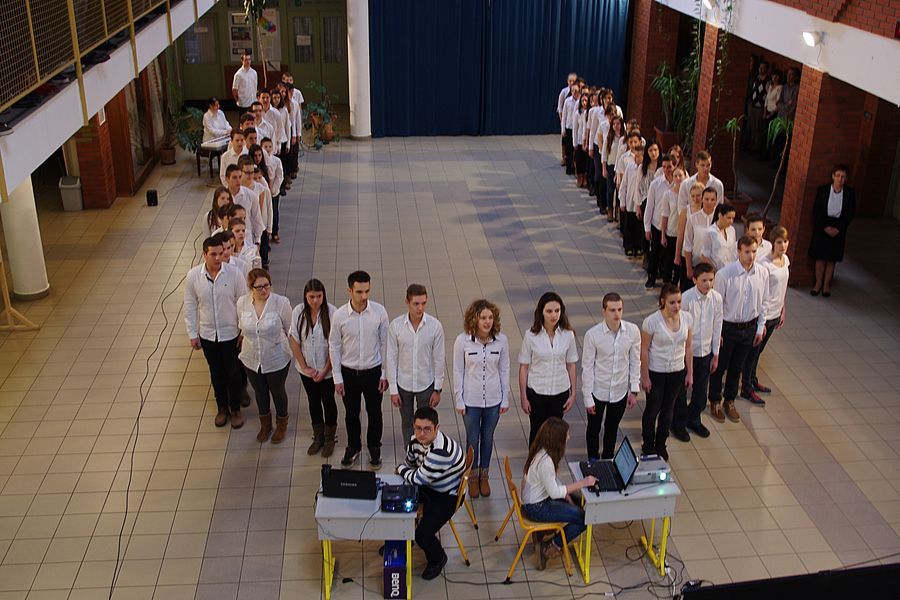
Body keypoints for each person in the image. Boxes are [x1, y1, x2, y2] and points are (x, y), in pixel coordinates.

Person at [329, 271, 390, 468]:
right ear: (349, 290)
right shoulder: (339, 316)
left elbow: (385, 344)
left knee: (375, 413)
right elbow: (334, 345)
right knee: (351, 413)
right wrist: (337, 377)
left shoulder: (379, 312)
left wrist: (384, 373)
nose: (364, 296)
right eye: (359, 292)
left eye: (367, 291)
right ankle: (353, 446)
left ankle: (374, 447)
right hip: (349, 373)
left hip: (373, 372)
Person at [397, 406, 465, 580]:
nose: (421, 434)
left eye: (427, 429)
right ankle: (401, 540)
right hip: (431, 484)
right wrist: (406, 470)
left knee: (423, 534)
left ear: (437, 428)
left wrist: (400, 469)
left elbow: (417, 478)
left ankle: (438, 558)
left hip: (447, 495)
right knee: (397, 503)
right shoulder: (415, 441)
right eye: (418, 428)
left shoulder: (440, 452)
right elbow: (410, 464)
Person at [184, 237, 245, 428]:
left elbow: (243, 304)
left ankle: (236, 409)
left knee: (233, 372)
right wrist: (192, 333)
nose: (218, 258)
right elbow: (190, 305)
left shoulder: (234, 274)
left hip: (231, 334)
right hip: (208, 334)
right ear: (204, 254)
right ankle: (222, 407)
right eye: (213, 254)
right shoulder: (194, 276)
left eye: (221, 253)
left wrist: (243, 331)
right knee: (216, 372)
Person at [709, 236, 770, 423]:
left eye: (754, 251)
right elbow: (716, 306)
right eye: (747, 252)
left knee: (737, 367)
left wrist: (760, 327)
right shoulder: (725, 275)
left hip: (749, 327)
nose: (751, 256)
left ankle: (730, 400)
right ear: (738, 251)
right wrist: (717, 333)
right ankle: (715, 400)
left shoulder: (762, 273)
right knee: (720, 367)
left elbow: (764, 301)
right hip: (728, 328)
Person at [521, 418, 596, 570]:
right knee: (585, 518)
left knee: (576, 501)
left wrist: (566, 494)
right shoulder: (546, 462)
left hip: (536, 500)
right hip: (537, 508)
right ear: (557, 439)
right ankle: (550, 547)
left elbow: (553, 480)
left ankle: (544, 535)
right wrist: (583, 483)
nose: (569, 437)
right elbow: (555, 493)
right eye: (566, 434)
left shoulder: (541, 451)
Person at [453, 299, 509, 499]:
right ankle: (472, 476)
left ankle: (484, 475)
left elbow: (504, 369)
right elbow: (458, 370)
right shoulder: (462, 341)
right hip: (471, 400)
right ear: (474, 319)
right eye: (483, 317)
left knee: (487, 438)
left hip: (493, 399)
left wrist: (505, 398)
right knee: (472, 439)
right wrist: (459, 399)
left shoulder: (502, 340)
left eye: (490, 317)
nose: (487, 321)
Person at [387, 284, 446, 449]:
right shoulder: (396, 326)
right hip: (403, 384)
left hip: (425, 384)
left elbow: (439, 358)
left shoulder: (435, 326)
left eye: (423, 303)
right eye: (416, 304)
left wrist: (437, 389)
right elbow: (390, 358)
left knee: (426, 424)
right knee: (407, 423)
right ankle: (410, 453)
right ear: (407, 302)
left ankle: (425, 453)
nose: (420, 308)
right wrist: (393, 390)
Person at [582, 293, 640, 460]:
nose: (617, 314)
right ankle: (593, 458)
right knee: (594, 428)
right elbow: (587, 368)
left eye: (620, 309)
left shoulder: (632, 331)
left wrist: (634, 389)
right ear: (604, 311)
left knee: (612, 428)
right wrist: (588, 398)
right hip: (598, 390)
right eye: (612, 310)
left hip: (619, 391)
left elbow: (635, 361)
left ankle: (608, 458)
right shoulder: (593, 335)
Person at [237, 268, 292, 443]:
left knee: (277, 392)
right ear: (250, 288)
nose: (264, 290)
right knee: (260, 393)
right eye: (259, 287)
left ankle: (281, 425)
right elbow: (241, 326)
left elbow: (290, 329)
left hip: (276, 357)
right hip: (251, 358)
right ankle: (265, 425)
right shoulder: (242, 303)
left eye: (267, 285)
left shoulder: (281, 303)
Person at [671, 263, 722, 442]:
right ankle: (678, 423)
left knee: (700, 392)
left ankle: (693, 419)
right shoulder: (685, 299)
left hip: (705, 352)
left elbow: (717, 325)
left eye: (711, 280)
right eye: (704, 280)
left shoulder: (716, 298)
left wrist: (716, 354)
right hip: (686, 353)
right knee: (680, 392)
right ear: (694, 280)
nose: (708, 284)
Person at [640, 285, 692, 460]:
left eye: (679, 302)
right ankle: (648, 444)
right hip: (657, 371)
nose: (676, 306)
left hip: (677, 370)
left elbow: (688, 347)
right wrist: (645, 376)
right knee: (652, 409)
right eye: (672, 302)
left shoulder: (687, 318)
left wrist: (690, 373)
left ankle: (661, 443)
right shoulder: (651, 322)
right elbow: (644, 349)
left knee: (668, 409)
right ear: (663, 301)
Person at [519, 292, 578, 446]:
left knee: (555, 434)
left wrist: (573, 393)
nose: (554, 315)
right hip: (537, 392)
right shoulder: (531, 336)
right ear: (541, 312)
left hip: (560, 391)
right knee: (537, 432)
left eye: (557, 311)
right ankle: (533, 460)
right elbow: (524, 367)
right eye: (549, 311)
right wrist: (524, 397)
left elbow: (571, 364)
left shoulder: (568, 335)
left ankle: (552, 460)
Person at [741, 226, 790, 405]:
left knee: (759, 352)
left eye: (785, 242)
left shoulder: (785, 260)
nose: (783, 245)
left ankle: (752, 379)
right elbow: (761, 293)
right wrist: (761, 322)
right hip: (764, 315)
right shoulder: (764, 265)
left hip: (776, 313)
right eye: (779, 242)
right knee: (752, 353)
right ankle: (746, 388)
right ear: (773, 243)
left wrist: (783, 308)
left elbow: (783, 287)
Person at [290, 279, 338, 457]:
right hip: (306, 370)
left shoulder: (332, 313)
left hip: (328, 372)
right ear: (305, 296)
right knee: (313, 401)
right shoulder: (298, 312)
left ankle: (329, 437)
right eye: (311, 297)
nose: (315, 300)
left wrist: (325, 370)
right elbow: (294, 340)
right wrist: (305, 366)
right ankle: (318, 436)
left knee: (328, 401)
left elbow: (335, 345)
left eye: (319, 296)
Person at [809, 165, 856, 298]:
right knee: (820, 256)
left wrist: (839, 228)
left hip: (838, 227)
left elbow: (850, 213)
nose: (840, 179)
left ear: (846, 179)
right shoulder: (823, 190)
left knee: (832, 258)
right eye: (838, 176)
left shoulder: (850, 193)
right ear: (833, 176)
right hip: (823, 225)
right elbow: (816, 210)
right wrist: (825, 227)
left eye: (843, 177)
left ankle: (826, 285)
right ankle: (817, 283)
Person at [644, 152, 674, 288]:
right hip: (657, 225)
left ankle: (666, 279)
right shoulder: (656, 184)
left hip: (671, 227)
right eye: (664, 167)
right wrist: (647, 228)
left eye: (669, 166)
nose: (667, 169)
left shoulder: (679, 184)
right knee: (654, 253)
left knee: (667, 256)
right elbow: (649, 206)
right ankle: (651, 277)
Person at [683, 187, 719, 281]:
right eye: (706, 199)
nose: (709, 202)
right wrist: (689, 268)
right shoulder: (693, 218)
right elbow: (687, 244)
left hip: (715, 267)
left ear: (716, 201)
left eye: (712, 199)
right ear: (702, 199)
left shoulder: (719, 219)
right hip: (696, 264)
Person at [675, 181, 706, 290]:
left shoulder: (708, 212)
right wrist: (677, 255)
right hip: (687, 254)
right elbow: (680, 234)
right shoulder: (685, 211)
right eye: (693, 196)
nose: (696, 198)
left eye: (698, 195)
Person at [659, 166, 686, 285]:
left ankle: (676, 284)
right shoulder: (668, 195)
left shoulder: (688, 196)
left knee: (680, 262)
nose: (678, 178)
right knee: (669, 260)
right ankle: (666, 285)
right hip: (671, 232)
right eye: (675, 176)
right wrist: (663, 235)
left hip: (684, 234)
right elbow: (664, 216)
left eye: (680, 175)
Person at [619, 144, 645, 257]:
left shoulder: (645, 170)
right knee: (628, 226)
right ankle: (628, 246)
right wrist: (622, 201)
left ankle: (638, 247)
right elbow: (624, 185)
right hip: (630, 203)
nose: (636, 158)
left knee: (639, 228)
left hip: (639, 204)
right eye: (635, 156)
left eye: (638, 156)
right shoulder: (630, 168)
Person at [699, 203, 737, 271]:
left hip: (731, 269)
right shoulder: (710, 232)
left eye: (733, 218)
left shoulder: (732, 230)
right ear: (720, 216)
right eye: (728, 218)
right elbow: (704, 256)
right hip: (717, 270)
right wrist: (715, 271)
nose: (731, 221)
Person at [260, 138, 284, 243]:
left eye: (270, 146)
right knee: (265, 213)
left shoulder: (277, 160)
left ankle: (275, 232)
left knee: (274, 212)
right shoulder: (262, 161)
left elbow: (280, 176)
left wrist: (274, 189)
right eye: (265, 147)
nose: (268, 149)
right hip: (264, 192)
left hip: (274, 192)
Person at [601, 114, 624, 222]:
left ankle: (618, 212)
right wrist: (604, 168)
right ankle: (609, 209)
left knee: (620, 190)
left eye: (618, 124)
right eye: (614, 124)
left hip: (621, 168)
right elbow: (604, 154)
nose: (616, 126)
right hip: (611, 166)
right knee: (610, 189)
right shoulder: (609, 137)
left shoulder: (624, 138)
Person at [747, 61, 769, 152]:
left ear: (766, 69)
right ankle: (751, 144)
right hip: (752, 105)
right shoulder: (756, 78)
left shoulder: (767, 81)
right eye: (760, 67)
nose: (761, 69)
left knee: (758, 128)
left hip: (760, 107)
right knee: (752, 126)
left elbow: (767, 95)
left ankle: (756, 146)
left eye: (763, 68)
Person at [558, 72, 577, 166]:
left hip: (574, 122)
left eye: (573, 81)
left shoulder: (578, 93)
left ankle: (572, 159)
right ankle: (563, 157)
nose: (571, 83)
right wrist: (562, 120)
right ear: (567, 81)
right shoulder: (564, 92)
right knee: (564, 141)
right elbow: (560, 107)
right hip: (566, 121)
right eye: (570, 81)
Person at [573, 93, 590, 188]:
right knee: (579, 160)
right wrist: (574, 142)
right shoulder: (577, 113)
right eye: (582, 100)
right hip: (579, 140)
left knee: (586, 161)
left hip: (586, 141)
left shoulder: (590, 112)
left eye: (586, 100)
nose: (584, 102)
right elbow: (575, 129)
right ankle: (579, 178)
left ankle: (585, 178)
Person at [561, 84, 579, 175]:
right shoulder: (567, 101)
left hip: (577, 129)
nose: (574, 92)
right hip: (569, 128)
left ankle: (575, 168)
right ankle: (569, 167)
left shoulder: (580, 101)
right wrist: (563, 129)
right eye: (572, 90)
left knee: (576, 150)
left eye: (576, 90)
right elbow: (564, 116)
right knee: (569, 149)